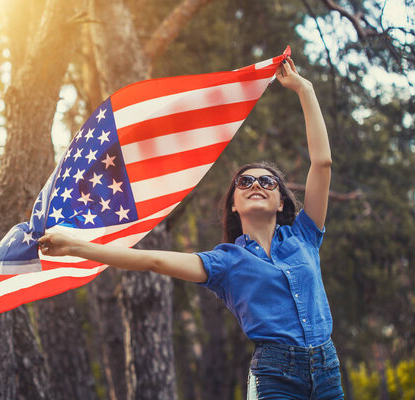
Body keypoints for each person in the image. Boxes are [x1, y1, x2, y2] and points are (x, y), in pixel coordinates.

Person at [38, 57, 344, 399]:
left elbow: (322, 162)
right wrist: (75, 246)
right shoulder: (226, 261)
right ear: (233, 203)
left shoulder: (305, 235)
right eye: (245, 181)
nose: (256, 184)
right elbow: (153, 261)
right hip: (276, 374)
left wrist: (305, 88)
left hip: (327, 368)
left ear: (282, 202)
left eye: (267, 181)